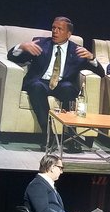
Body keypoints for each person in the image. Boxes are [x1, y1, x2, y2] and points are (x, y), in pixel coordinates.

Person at [8, 16, 104, 152]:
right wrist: (22, 46)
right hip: (41, 81)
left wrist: (92, 58)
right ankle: (49, 136)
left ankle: (71, 138)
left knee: (69, 89)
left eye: (60, 29)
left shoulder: (77, 51)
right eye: (53, 28)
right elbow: (12, 57)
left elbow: (101, 73)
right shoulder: (40, 44)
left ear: (69, 34)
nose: (55, 31)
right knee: (36, 87)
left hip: (62, 83)